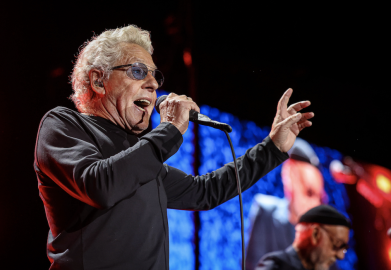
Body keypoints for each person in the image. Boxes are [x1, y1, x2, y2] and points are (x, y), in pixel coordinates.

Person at [33, 25, 314, 270]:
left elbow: (205, 191)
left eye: (155, 76)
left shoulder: (142, 156)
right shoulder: (63, 125)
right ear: (98, 80)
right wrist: (168, 131)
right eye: (138, 71)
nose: (154, 84)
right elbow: (100, 185)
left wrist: (273, 147)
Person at [246, 138, 328, 270]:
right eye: (309, 192)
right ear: (290, 177)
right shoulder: (266, 212)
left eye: (319, 198)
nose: (315, 205)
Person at [255, 205, 351, 270]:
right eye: (338, 244)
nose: (340, 256)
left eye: (344, 249)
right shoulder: (277, 266)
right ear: (315, 234)